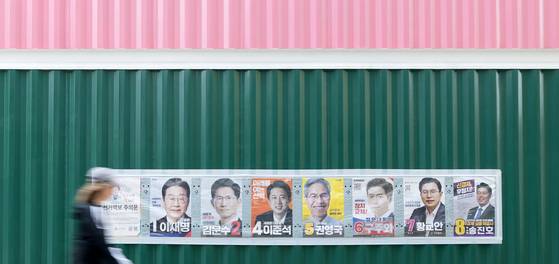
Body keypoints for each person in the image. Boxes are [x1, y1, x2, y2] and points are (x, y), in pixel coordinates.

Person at [73, 167, 120, 264]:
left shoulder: (97, 210)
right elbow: (100, 244)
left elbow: (106, 245)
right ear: (104, 187)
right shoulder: (89, 211)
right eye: (112, 187)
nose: (113, 191)